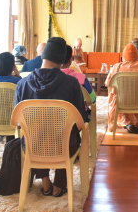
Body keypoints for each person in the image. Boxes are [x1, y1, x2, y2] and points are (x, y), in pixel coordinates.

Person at [14, 37, 87, 198]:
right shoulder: (72, 83)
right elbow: (80, 120)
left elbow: (18, 123)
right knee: (68, 134)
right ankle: (59, 185)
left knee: (35, 135)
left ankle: (45, 182)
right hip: (64, 145)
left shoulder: (22, 84)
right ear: (62, 61)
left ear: (42, 56)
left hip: (33, 145)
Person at [105, 43, 138, 134]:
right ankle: (136, 123)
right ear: (137, 56)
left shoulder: (116, 68)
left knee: (115, 96)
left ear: (123, 56)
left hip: (120, 102)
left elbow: (107, 84)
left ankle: (126, 123)